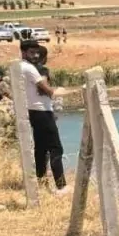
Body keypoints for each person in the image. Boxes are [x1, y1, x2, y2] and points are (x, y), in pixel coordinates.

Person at [19, 43, 68, 194]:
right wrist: (58, 92)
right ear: (24, 52)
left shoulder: (20, 67)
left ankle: (40, 181)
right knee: (56, 148)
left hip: (33, 111)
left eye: (37, 53)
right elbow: (44, 88)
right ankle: (61, 186)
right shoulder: (30, 68)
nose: (35, 56)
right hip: (42, 111)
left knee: (40, 149)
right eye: (32, 52)